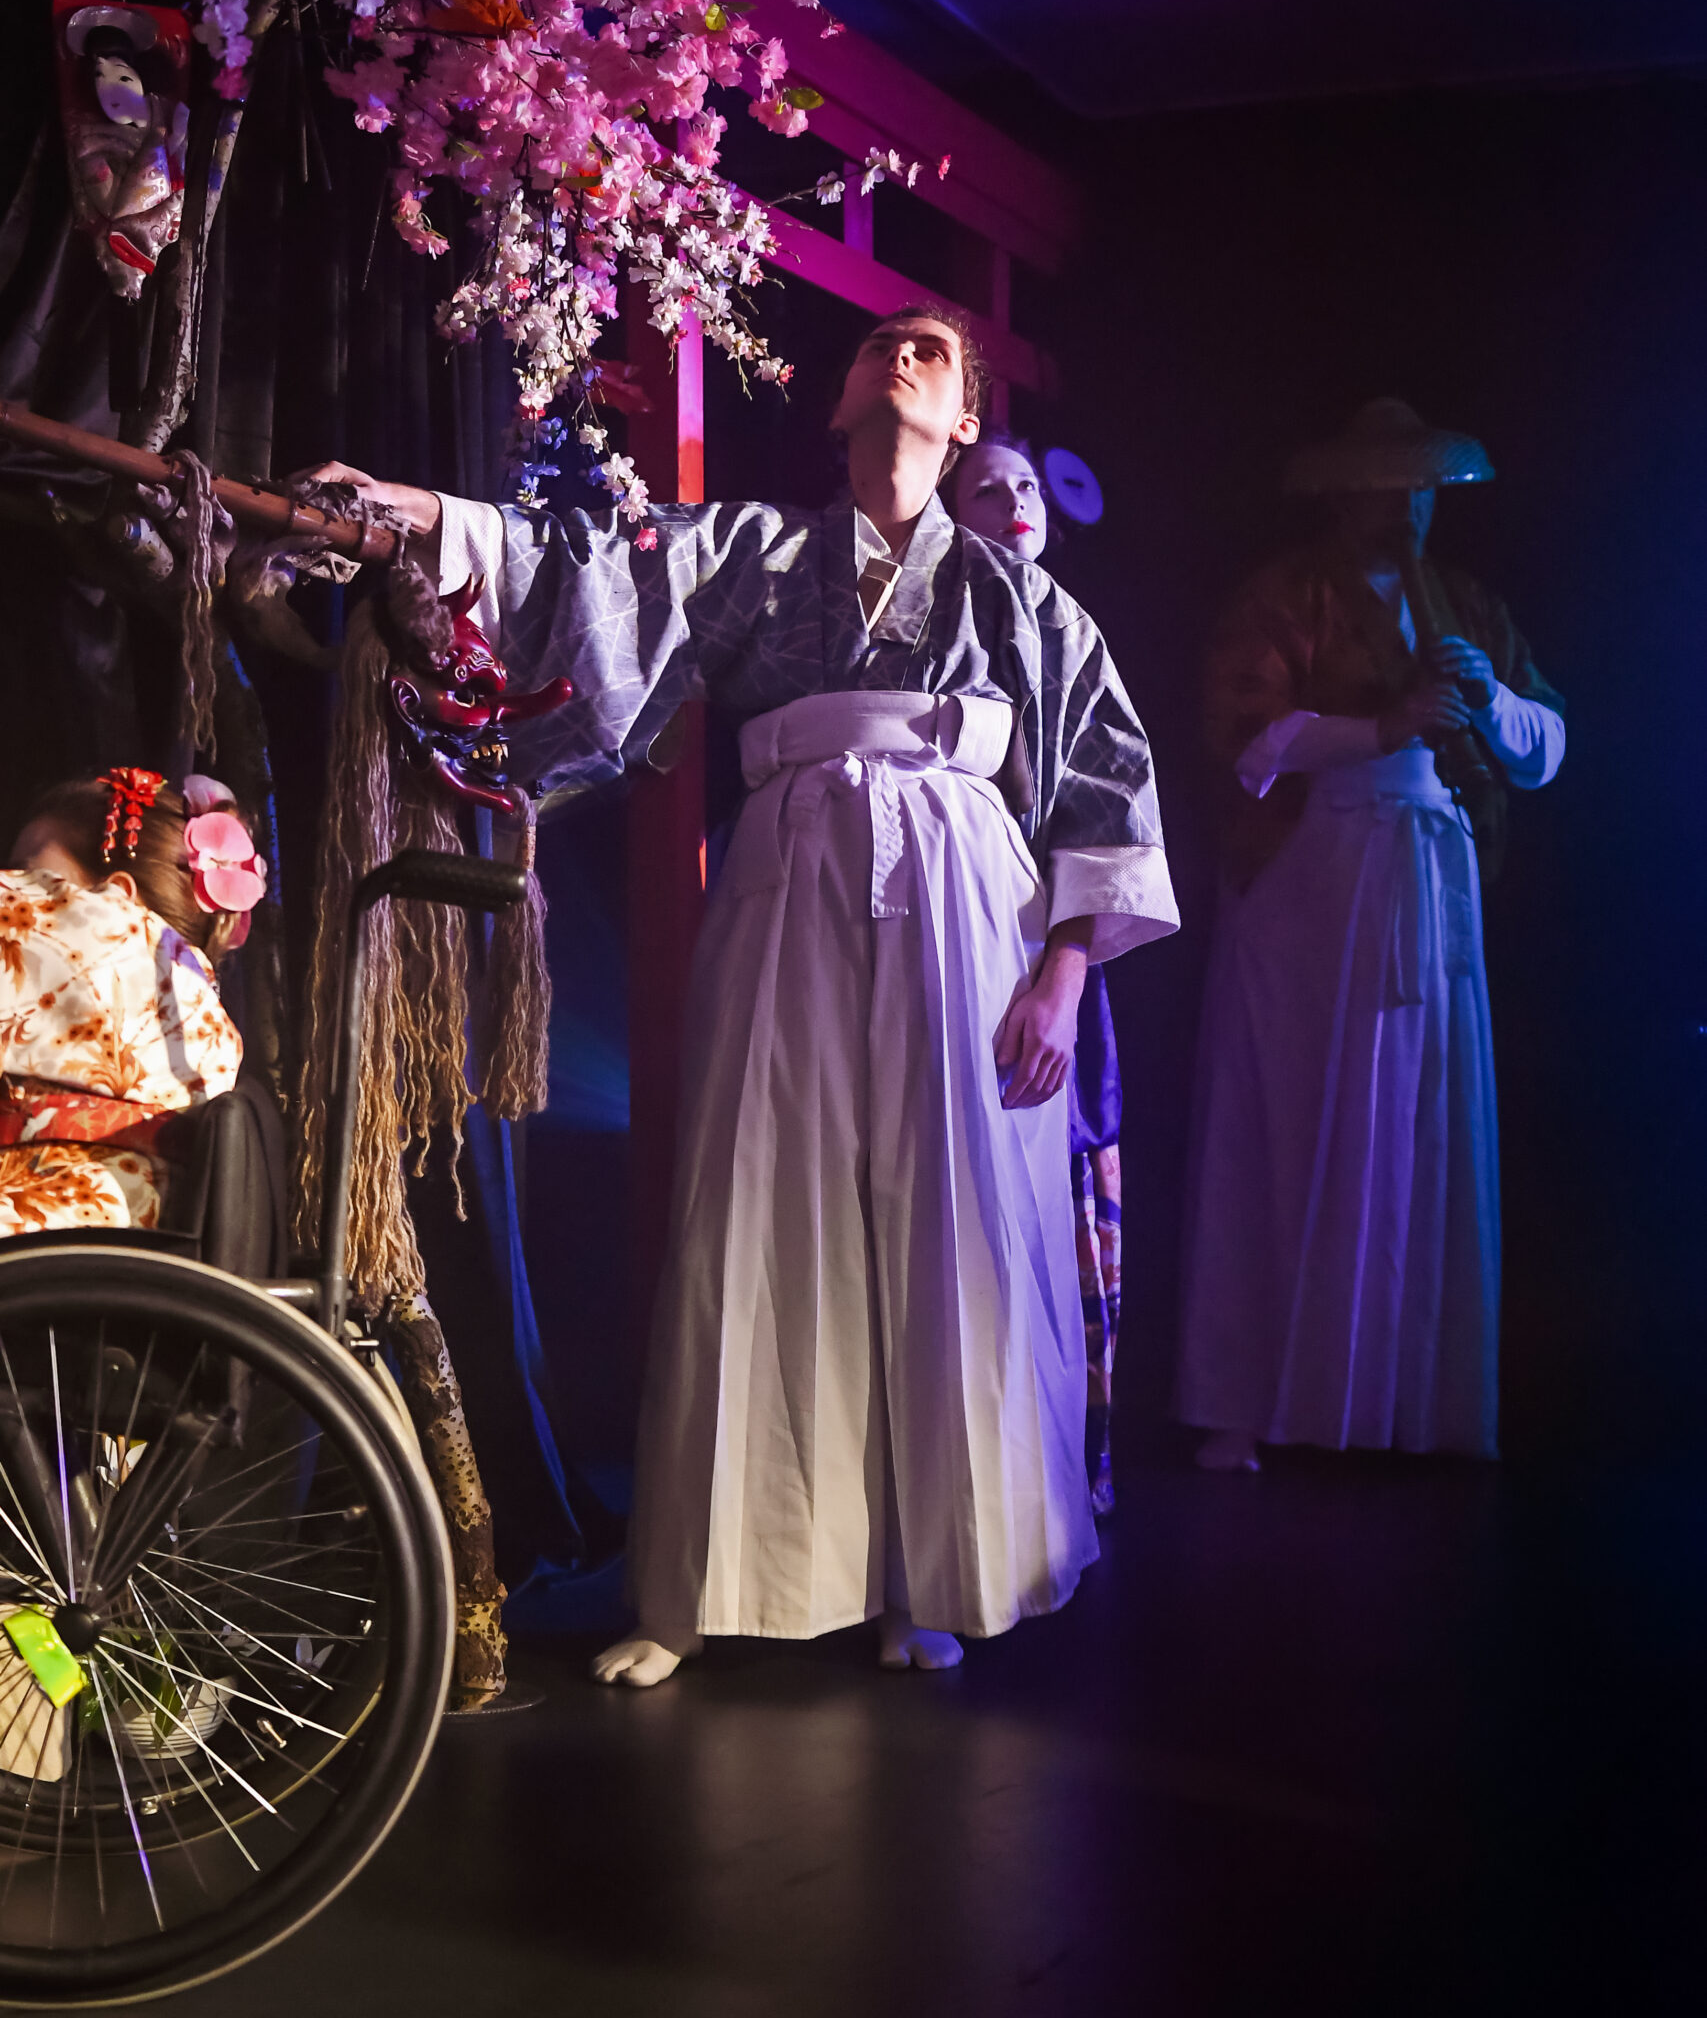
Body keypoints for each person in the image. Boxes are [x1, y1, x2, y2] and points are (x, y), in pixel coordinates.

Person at [311, 308, 1178, 1682]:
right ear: (835, 405)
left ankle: (928, 1572)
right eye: (879, 345)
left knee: (949, 1211)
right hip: (793, 878)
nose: (899, 356)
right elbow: (586, 565)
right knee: (765, 1191)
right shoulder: (759, 554)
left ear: (966, 424)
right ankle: (711, 1581)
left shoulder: (1020, 600)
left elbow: (1101, 784)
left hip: (968, 902)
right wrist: (424, 512)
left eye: (932, 352)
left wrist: (1062, 978)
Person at [1175, 399, 1565, 1471]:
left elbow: (1546, 746)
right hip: (1315, 878)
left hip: (1428, 878)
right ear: (1347, 494)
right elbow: (1244, 739)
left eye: (1421, 488)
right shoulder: (1286, 593)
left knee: (1417, 1123)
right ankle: (1248, 1401)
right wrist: (1382, 727)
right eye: (1389, 487)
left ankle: (1413, 1400)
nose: (1408, 507)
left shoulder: (1465, 605)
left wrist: (1489, 702)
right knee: (1292, 1121)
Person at [946, 432, 1126, 1516]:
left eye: (1026, 486)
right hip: (956, 941)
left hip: (1048, 945)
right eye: (987, 488)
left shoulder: (1067, 635)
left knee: (1060, 1183)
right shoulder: (934, 624)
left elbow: (1100, 816)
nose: (1014, 500)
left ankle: (1059, 1468)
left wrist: (1064, 971)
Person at [1, 770, 261, 1236]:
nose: (15, 888)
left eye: (31, 875)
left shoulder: (99, 936)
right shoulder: (210, 1034)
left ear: (117, 899)